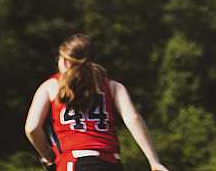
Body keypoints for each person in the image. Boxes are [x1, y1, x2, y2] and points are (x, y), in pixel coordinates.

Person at [25, 33, 169, 171]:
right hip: (111, 162)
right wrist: (154, 161)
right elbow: (133, 118)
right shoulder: (112, 86)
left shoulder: (50, 86)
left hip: (73, 162)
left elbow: (32, 128)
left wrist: (48, 157)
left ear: (63, 60)